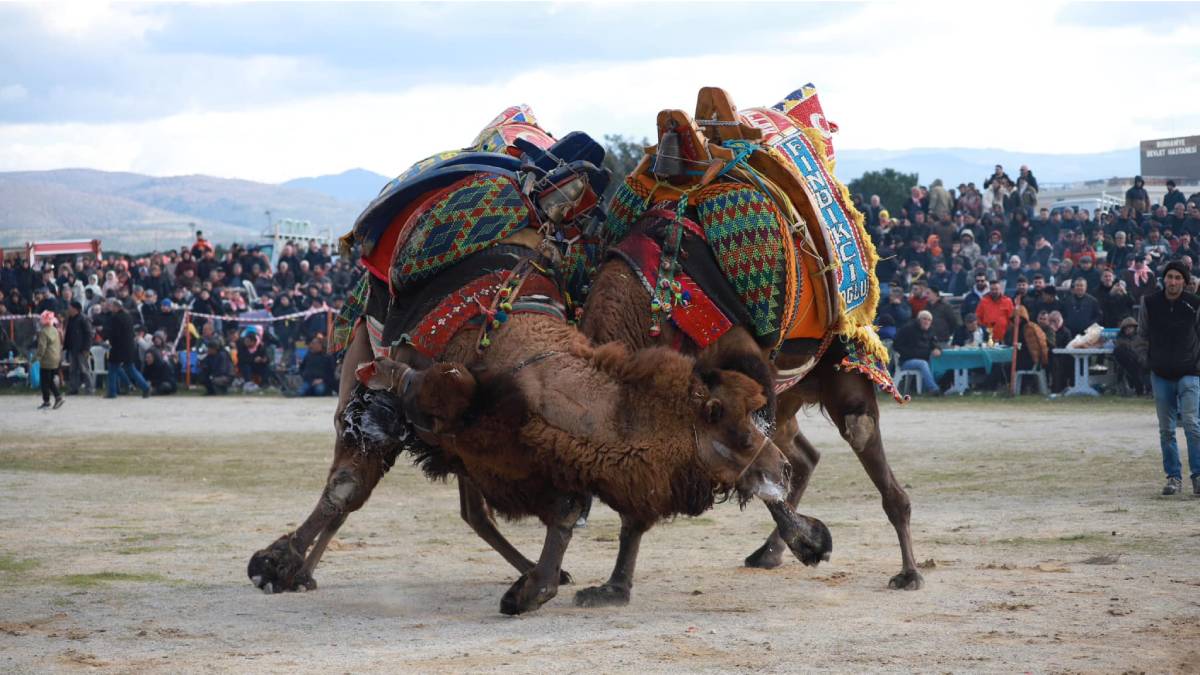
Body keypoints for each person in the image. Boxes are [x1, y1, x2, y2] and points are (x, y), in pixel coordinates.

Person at [1138, 261, 1200, 496]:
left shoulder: (1194, 303)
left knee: (1193, 426)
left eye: (1177, 278)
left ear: (1185, 282)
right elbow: (1141, 334)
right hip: (1161, 373)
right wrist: (1146, 360)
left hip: (1190, 372)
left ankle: (1198, 476)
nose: (1173, 282)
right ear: (1164, 279)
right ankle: (1173, 477)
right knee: (1167, 430)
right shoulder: (1150, 302)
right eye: (1169, 277)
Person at [104, 297, 151, 399]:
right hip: (129, 346)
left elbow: (114, 334)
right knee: (131, 369)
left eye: (112, 306)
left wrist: (111, 342)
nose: (111, 308)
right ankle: (145, 387)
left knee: (112, 368)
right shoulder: (128, 316)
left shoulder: (115, 318)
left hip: (118, 347)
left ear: (116, 307)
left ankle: (112, 392)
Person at [892, 310, 941, 395]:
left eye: (929, 320)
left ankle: (937, 387)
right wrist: (911, 353)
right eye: (924, 319)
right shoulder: (907, 329)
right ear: (919, 319)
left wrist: (937, 348)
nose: (927, 322)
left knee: (936, 361)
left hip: (924, 358)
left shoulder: (930, 330)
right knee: (923, 363)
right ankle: (934, 389)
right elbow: (896, 345)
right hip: (906, 361)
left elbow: (934, 342)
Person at [63, 300, 94, 395]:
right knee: (73, 369)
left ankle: (89, 388)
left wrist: (86, 348)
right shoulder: (70, 319)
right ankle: (73, 388)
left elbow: (89, 334)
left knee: (84, 369)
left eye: (70, 308)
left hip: (81, 349)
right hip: (73, 348)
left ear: (75, 309)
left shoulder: (83, 319)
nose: (68, 309)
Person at [34, 311, 64, 410]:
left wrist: (36, 358)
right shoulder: (55, 330)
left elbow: (42, 347)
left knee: (45, 381)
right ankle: (53, 398)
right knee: (49, 379)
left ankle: (52, 399)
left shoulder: (44, 332)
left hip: (46, 360)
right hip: (55, 358)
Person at [1113, 316, 1149, 396]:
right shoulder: (1120, 339)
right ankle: (1139, 390)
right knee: (1120, 351)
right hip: (1129, 364)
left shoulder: (1141, 337)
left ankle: (1143, 389)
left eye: (1130, 327)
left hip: (1142, 361)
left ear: (1134, 328)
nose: (1128, 329)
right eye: (1126, 328)